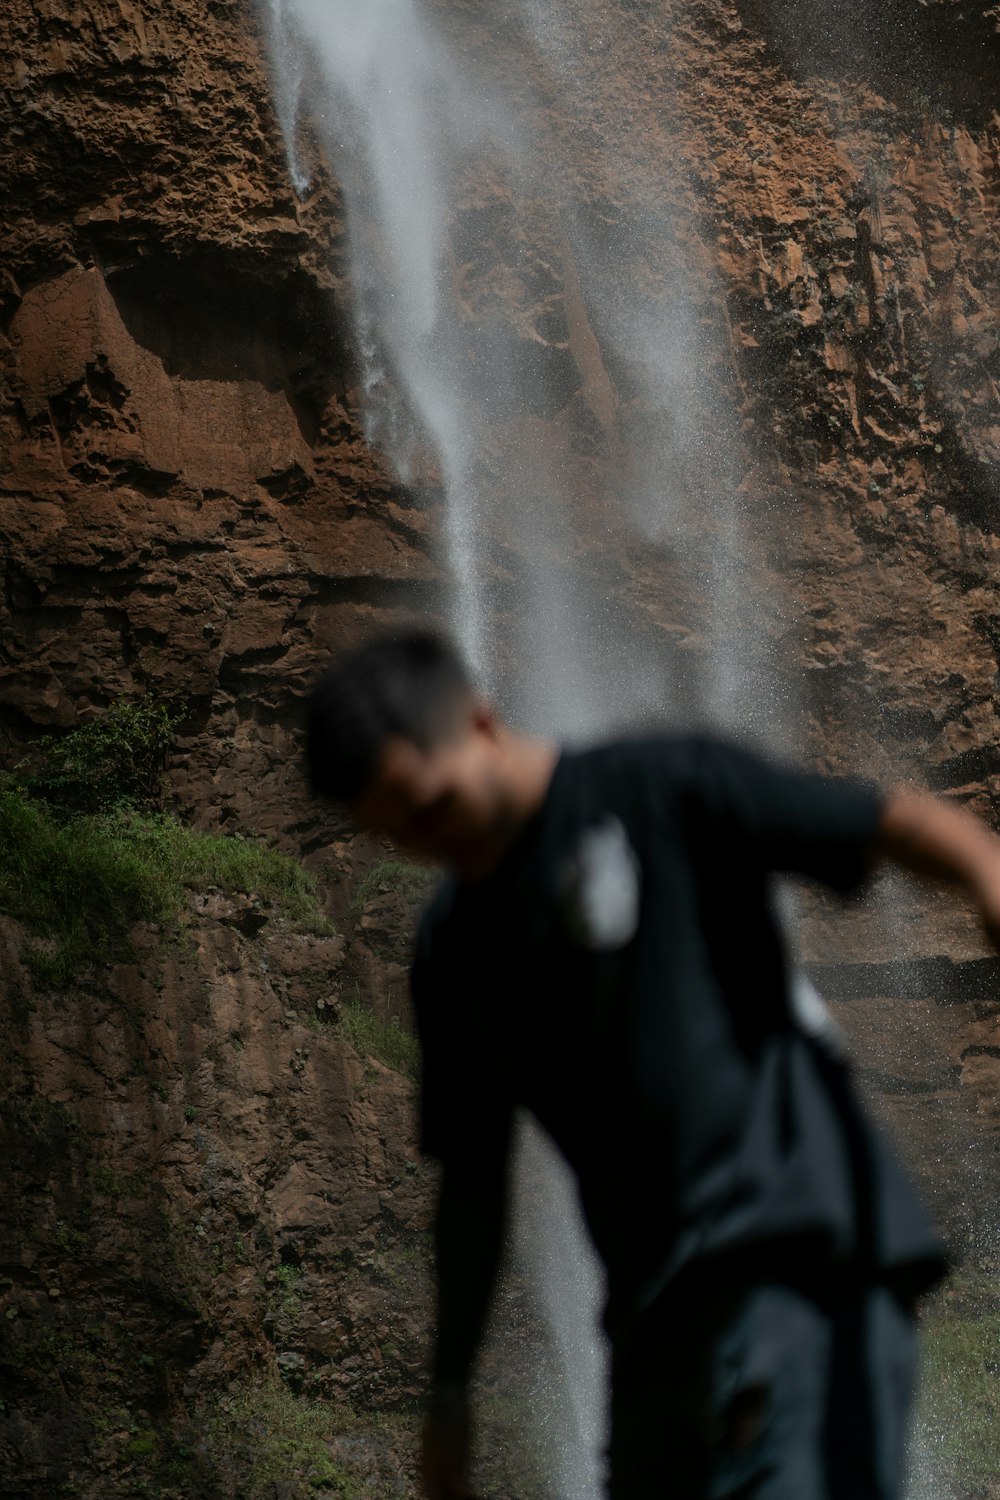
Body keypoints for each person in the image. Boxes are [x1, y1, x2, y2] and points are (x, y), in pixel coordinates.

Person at [306, 629, 1000, 1500]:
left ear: (481, 725)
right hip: (648, 1326)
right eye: (395, 834)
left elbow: (877, 820)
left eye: (431, 807)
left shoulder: (656, 785)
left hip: (795, 1262)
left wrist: (985, 871)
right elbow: (473, 1178)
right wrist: (449, 1388)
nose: (425, 842)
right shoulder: (452, 949)